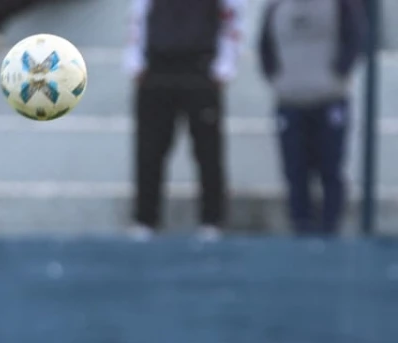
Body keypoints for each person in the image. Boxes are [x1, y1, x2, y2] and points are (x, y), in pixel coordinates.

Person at [125, 0, 244, 240]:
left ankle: (212, 219)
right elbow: (138, 12)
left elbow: (233, 14)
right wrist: (134, 59)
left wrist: (226, 64)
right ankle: (146, 218)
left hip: (200, 66)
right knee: (149, 149)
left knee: (208, 150)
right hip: (157, 66)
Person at [258, 0, 366, 235]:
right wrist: (280, 81)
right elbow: (265, 49)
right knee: (295, 170)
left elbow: (354, 38)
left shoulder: (340, 6)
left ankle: (330, 226)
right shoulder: (276, 8)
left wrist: (338, 74)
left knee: (330, 168)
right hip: (290, 101)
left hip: (328, 99)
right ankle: (300, 225)